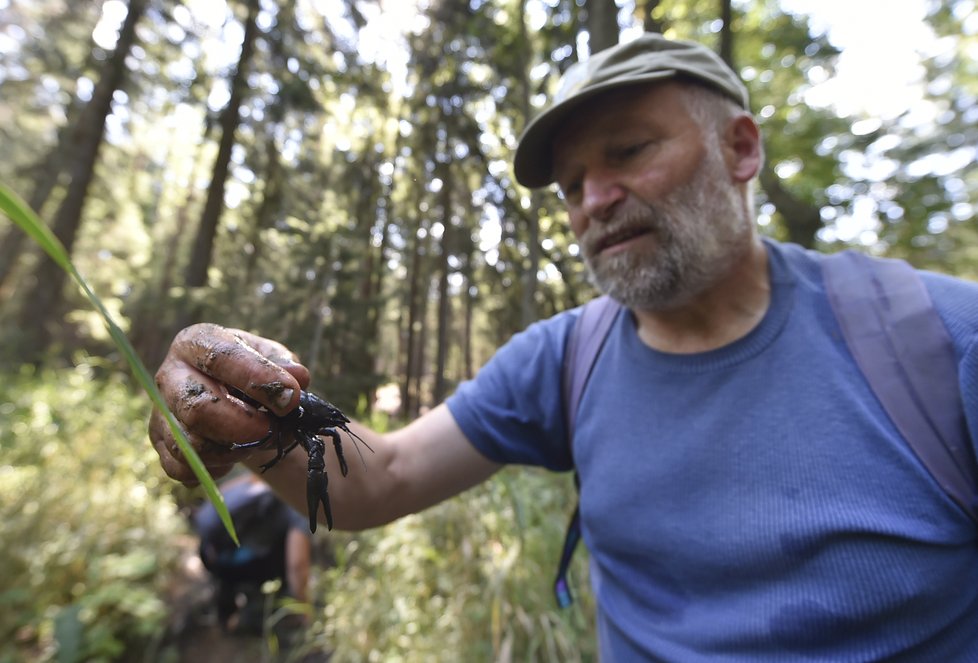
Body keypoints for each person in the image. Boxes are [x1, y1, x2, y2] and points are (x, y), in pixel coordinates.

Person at [149, 33, 978, 660]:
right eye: (573, 183)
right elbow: (384, 477)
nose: (594, 201)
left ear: (741, 148)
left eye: (629, 152)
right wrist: (242, 413)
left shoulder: (938, 340)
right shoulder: (564, 358)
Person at [192, 471, 312, 635]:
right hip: (231, 561)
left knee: (225, 582)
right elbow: (297, 565)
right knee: (282, 556)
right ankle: (259, 614)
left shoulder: (269, 476)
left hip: (208, 547)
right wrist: (304, 609)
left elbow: (219, 493)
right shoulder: (302, 506)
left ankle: (224, 620)